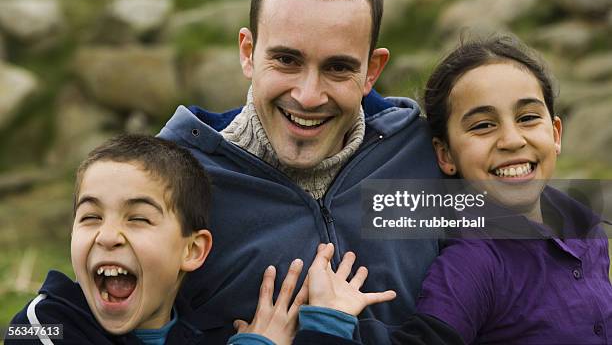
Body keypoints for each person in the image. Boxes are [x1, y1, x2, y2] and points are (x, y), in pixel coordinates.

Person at [158, 0, 448, 343]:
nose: (309, 96)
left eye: (338, 67)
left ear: (372, 71)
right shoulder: (170, 184)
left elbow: (545, 248)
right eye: (287, 60)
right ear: (248, 52)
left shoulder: (424, 154)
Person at [5, 135, 395, 345]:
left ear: (192, 250)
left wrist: (327, 327)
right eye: (90, 217)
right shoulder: (45, 324)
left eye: (138, 219)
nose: (108, 236)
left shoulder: (209, 335)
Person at [406, 36, 612, 344]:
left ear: (555, 133)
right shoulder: (472, 263)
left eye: (528, 118)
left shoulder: (589, 231)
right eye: (483, 125)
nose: (512, 140)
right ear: (446, 155)